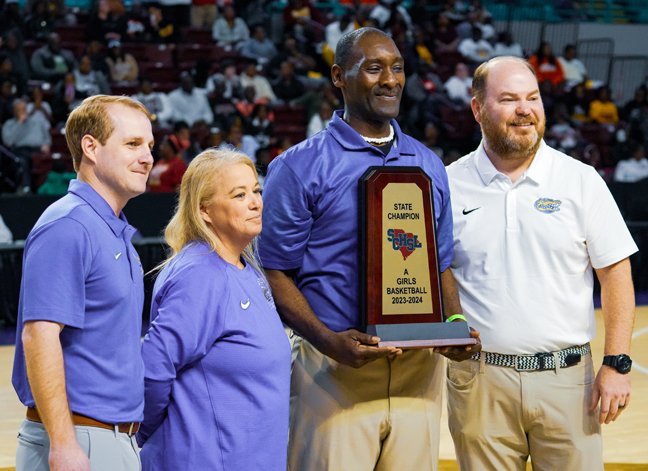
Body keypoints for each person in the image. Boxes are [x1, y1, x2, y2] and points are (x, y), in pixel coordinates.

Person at [258, 27, 480, 471]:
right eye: (373, 68)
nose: (390, 80)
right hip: (333, 371)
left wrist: (453, 324)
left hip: (419, 371)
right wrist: (328, 341)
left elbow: (440, 264)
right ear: (339, 77)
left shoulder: (428, 163)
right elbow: (273, 272)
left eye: (397, 67)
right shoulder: (298, 166)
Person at [446, 56, 637, 471]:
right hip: (479, 382)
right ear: (477, 109)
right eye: (510, 99)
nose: (525, 109)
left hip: (569, 381)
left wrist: (617, 363)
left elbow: (616, 275)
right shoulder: (447, 184)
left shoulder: (581, 180)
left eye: (533, 98)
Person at [11, 95, 155, 470]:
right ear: (90, 147)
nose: (147, 157)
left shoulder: (108, 229)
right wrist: (63, 444)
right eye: (132, 144)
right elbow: (39, 335)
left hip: (110, 439)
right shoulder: (69, 225)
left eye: (149, 146)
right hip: (80, 441)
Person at [137, 149, 290, 470]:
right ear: (204, 210)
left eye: (256, 191)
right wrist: (150, 435)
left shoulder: (245, 268)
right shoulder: (200, 275)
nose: (255, 202)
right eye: (239, 195)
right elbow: (152, 369)